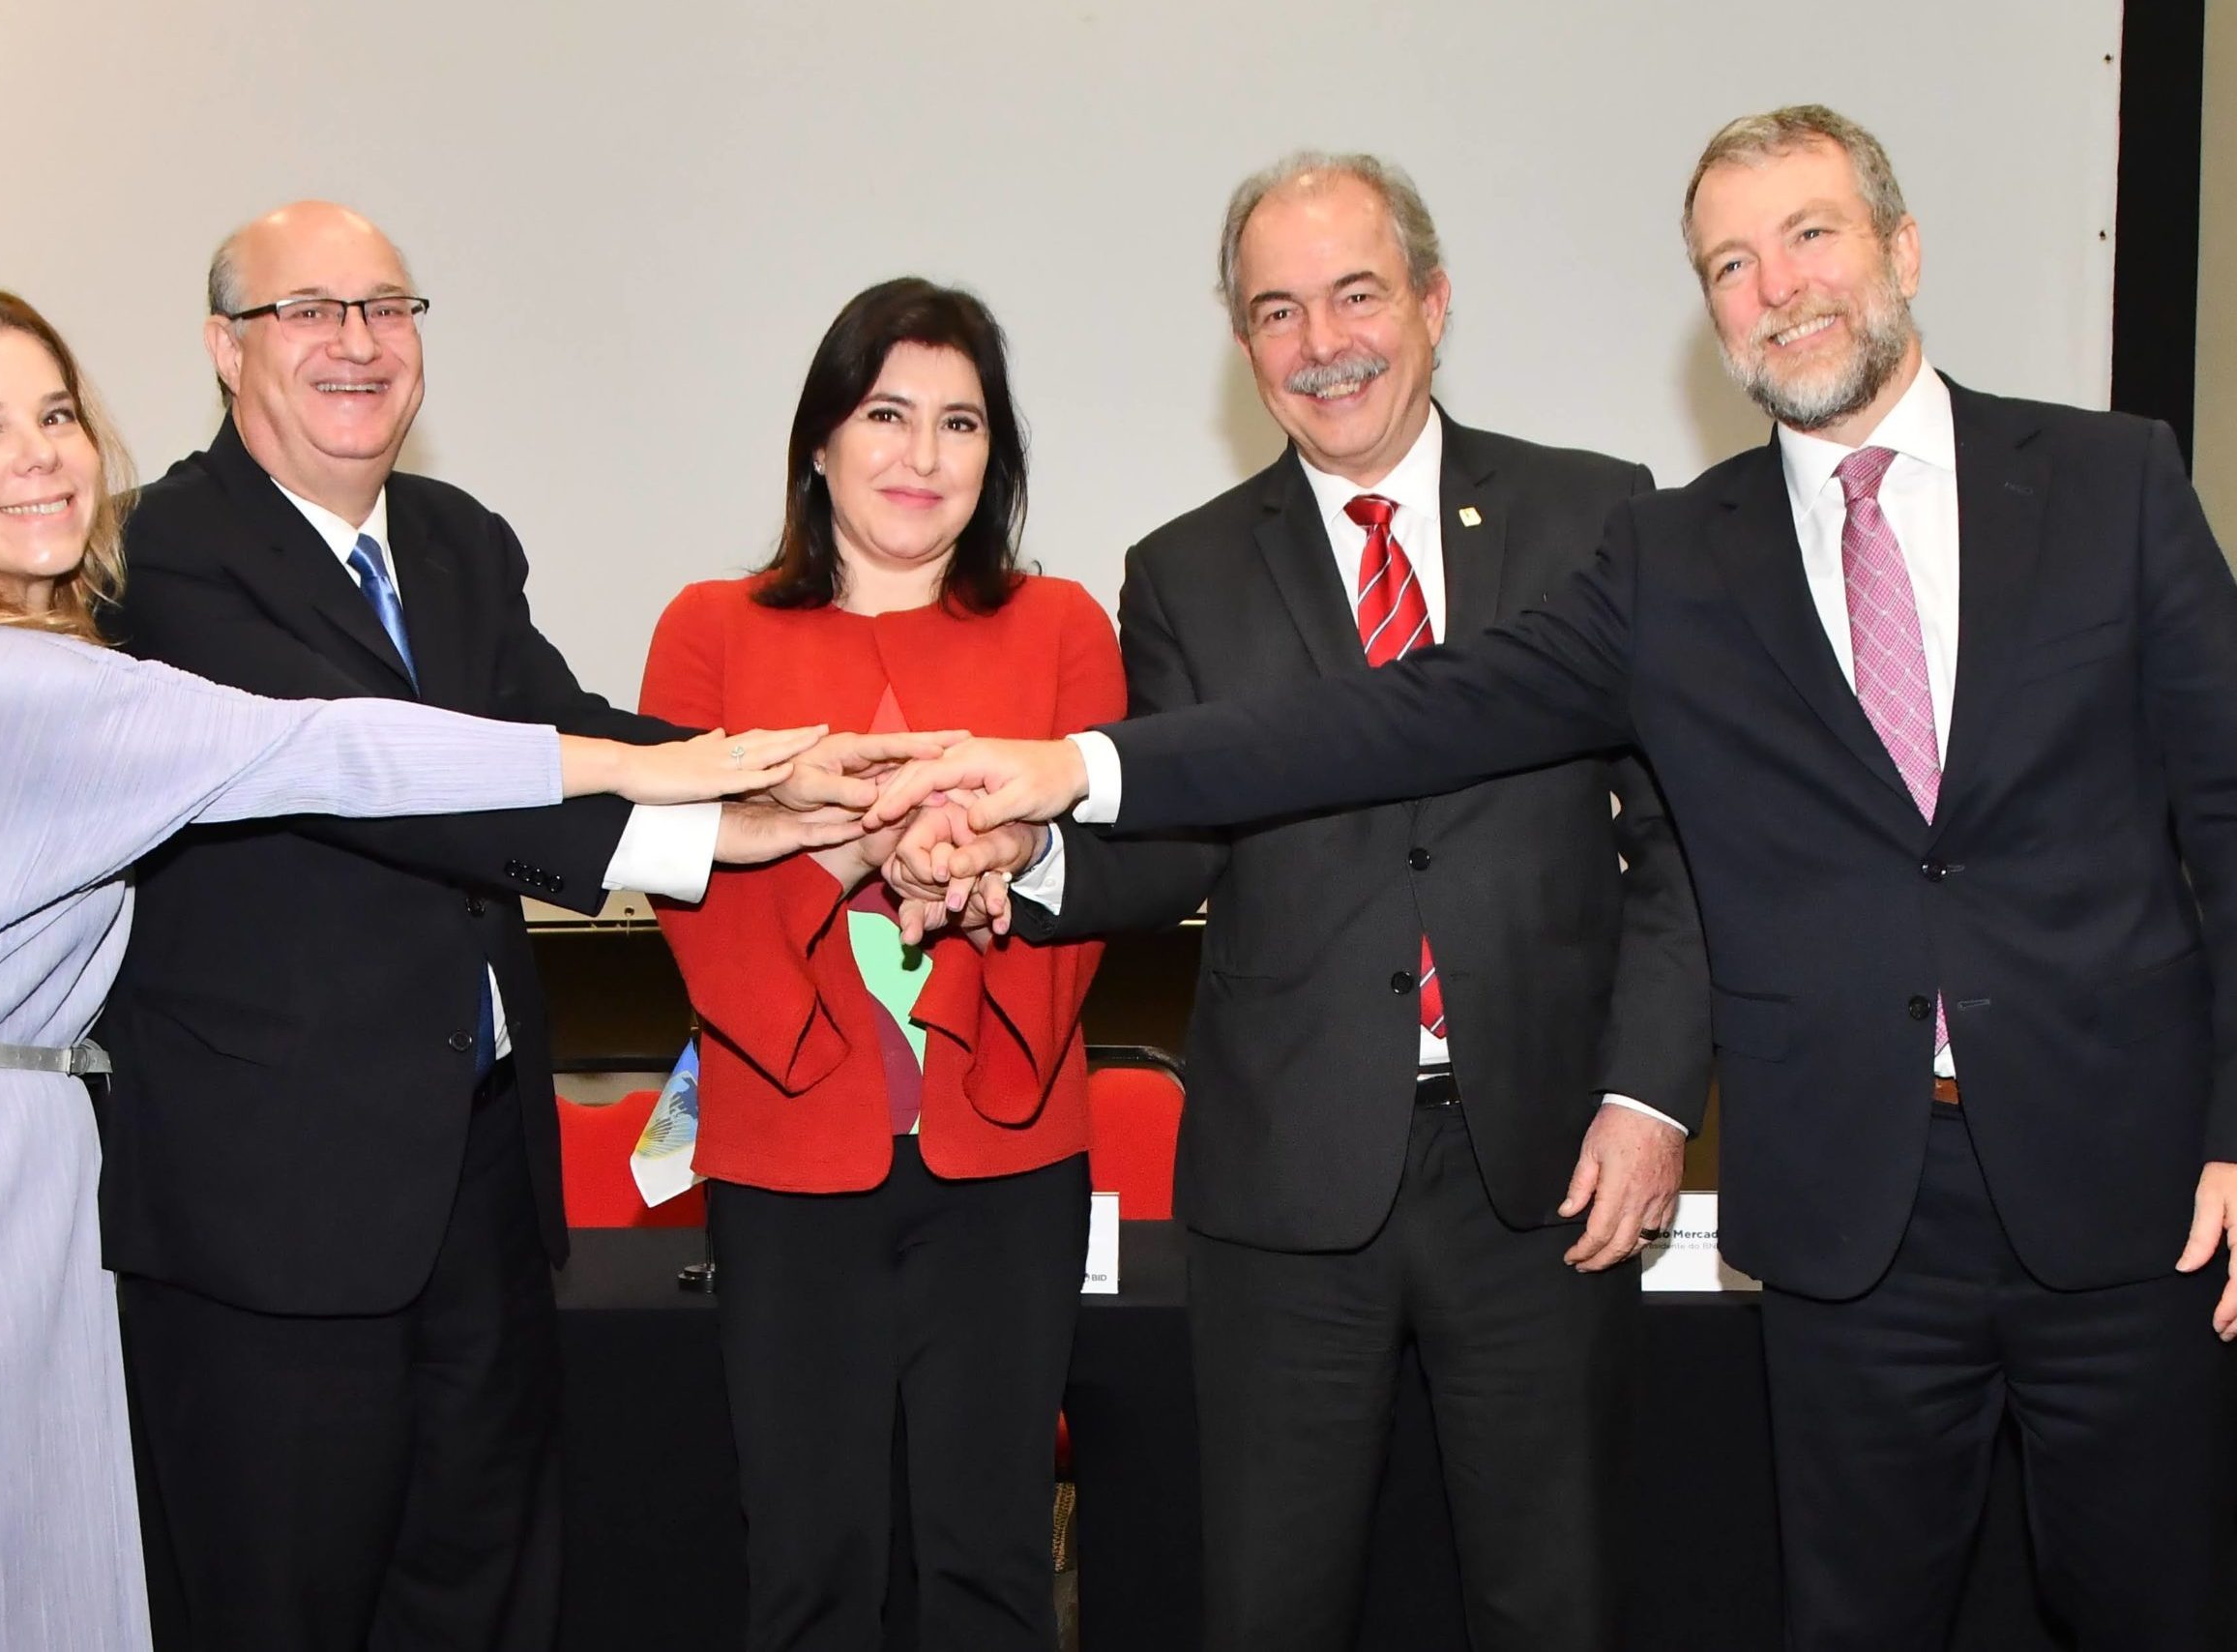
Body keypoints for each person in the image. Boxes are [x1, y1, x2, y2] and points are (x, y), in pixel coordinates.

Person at [875, 105, 2237, 1651]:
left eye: (1809, 237)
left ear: (1901, 252)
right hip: (1854, 1220)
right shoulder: (1684, 559)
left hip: (2127, 1193)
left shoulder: (2109, 481)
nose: (1776, 285)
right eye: (1730, 261)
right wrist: (1072, 773)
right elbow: (1398, 714)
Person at [0, 278, 819, 1652]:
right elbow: (323, 744)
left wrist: (729, 799)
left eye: (57, 412)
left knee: (47, 1601)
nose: (39, 454)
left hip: (16, 1164)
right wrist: (655, 764)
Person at [896, 154, 1707, 1651]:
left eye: (1356, 294)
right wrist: (1026, 860)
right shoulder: (1187, 572)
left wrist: (1652, 1097)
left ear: (1434, 303)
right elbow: (1173, 843)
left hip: (1546, 1176)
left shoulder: (1599, 517)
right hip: (1286, 1191)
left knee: (1557, 1603)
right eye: (1277, 310)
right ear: (1242, 342)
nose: (1322, 341)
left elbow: (1678, 851)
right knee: (1274, 1608)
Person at [96, 203, 917, 1650]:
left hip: (476, 1178)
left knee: (483, 1592)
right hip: (272, 1217)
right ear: (227, 349)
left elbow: (565, 735)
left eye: (389, 308)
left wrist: (779, 791)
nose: (358, 344)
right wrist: (709, 794)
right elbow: (382, 767)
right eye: (310, 311)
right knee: (282, 1605)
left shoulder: (462, 542)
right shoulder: (160, 556)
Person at [638, 277, 1122, 1652]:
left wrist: (986, 866)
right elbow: (684, 892)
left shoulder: (1066, 627)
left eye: (961, 423)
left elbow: (1093, 884)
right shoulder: (708, 631)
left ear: (998, 456)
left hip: (1011, 1156)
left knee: (994, 1570)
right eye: (887, 414)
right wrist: (853, 849)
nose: (923, 456)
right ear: (819, 442)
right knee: (809, 1569)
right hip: (788, 1158)